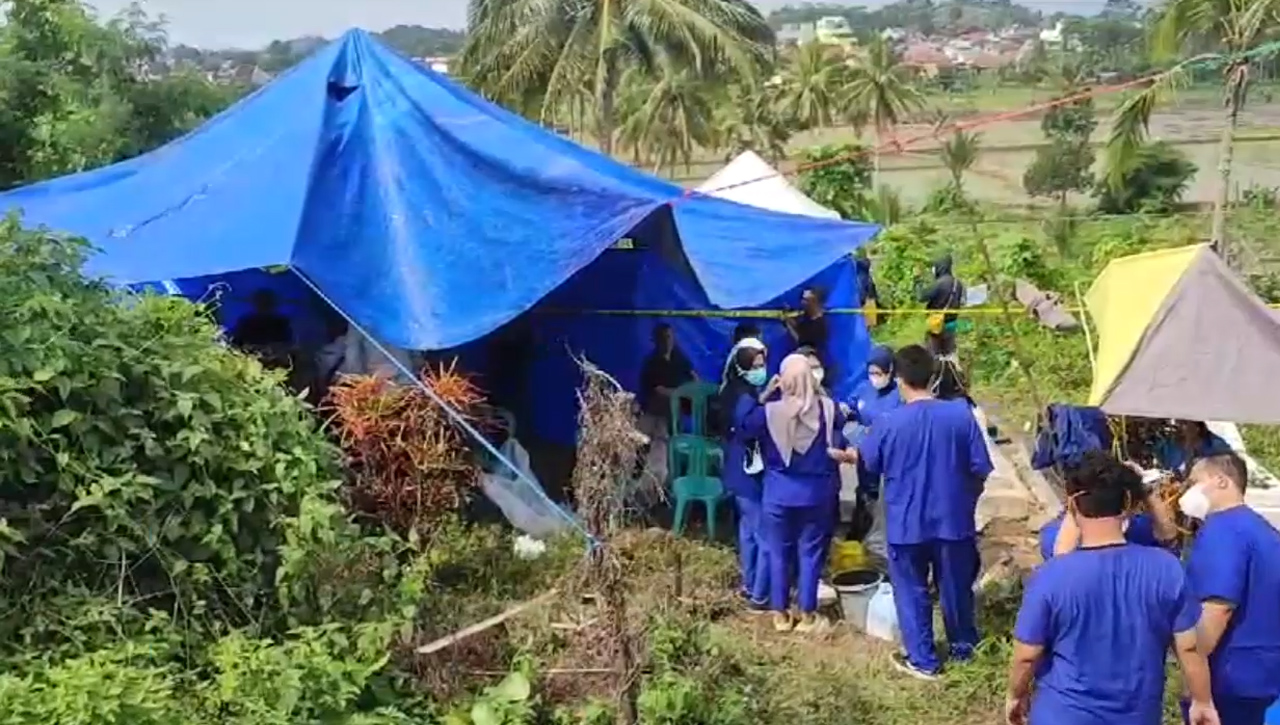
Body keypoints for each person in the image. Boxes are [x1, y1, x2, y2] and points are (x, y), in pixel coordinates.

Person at [1005, 451, 1217, 725]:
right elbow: (1188, 648)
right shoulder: (1166, 568)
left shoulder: (1051, 576)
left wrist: (1016, 695)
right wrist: (1202, 700)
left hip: (1063, 713)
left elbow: (1026, 656)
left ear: (1072, 505)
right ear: (1128, 502)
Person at [849, 344, 993, 679]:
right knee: (956, 588)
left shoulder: (889, 422)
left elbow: (869, 463)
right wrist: (967, 498)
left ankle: (924, 660)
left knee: (911, 590)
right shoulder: (960, 415)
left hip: (906, 523)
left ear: (899, 379)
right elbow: (981, 467)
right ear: (933, 376)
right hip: (954, 521)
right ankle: (964, 650)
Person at [740, 354, 848, 634]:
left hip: (778, 493)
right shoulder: (827, 408)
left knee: (778, 551)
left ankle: (780, 615)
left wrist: (766, 395)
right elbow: (841, 426)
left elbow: (744, 428)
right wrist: (817, 390)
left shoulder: (770, 412)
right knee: (810, 552)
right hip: (817, 494)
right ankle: (807, 614)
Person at [1179, 452, 1280, 725]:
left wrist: (1192, 670)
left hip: (1227, 679)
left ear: (1221, 481)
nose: (1187, 492)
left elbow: (1218, 607)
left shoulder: (1223, 531)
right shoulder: (1262, 530)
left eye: (1193, 482)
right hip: (1262, 675)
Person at [719, 343, 771, 611]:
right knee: (765, 535)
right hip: (747, 473)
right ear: (743, 367)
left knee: (748, 532)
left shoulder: (733, 389)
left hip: (736, 470)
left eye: (762, 365)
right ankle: (760, 595)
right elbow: (748, 427)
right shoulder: (743, 397)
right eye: (756, 366)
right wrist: (768, 407)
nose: (761, 370)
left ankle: (749, 583)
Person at [1038, 463, 1178, 560]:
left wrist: (1074, 507)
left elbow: (1058, 565)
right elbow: (1169, 539)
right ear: (1128, 503)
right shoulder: (1139, 531)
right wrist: (1147, 489)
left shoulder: (1053, 535)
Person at [842, 345, 902, 541]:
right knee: (865, 497)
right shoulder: (863, 389)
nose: (875, 377)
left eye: (879, 373)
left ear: (891, 371)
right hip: (866, 459)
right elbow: (850, 408)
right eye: (871, 372)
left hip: (889, 462)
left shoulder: (899, 395)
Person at [637, 324, 696, 486]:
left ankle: (668, 481)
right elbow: (658, 390)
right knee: (656, 444)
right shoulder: (652, 362)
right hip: (657, 412)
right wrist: (681, 392)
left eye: (669, 337)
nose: (667, 341)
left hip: (676, 412)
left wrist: (694, 389)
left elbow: (693, 376)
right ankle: (652, 482)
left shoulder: (680, 358)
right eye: (663, 338)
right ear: (656, 341)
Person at [916, 254, 964, 358]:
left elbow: (921, 297)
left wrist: (917, 281)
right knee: (950, 355)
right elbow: (962, 301)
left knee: (934, 356)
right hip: (951, 325)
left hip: (936, 325)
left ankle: (936, 372)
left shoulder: (938, 284)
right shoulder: (958, 283)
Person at [1156, 420, 1234, 478]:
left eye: (1184, 423)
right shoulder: (1168, 446)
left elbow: (1231, 470)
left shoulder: (1216, 445)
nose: (1178, 427)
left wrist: (1190, 446)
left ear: (1197, 427)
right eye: (1177, 422)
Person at [785, 286, 830, 370]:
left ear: (814, 302)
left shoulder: (820, 325)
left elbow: (801, 341)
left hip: (811, 364)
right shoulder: (806, 317)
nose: (802, 302)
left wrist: (789, 325)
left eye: (806, 300)